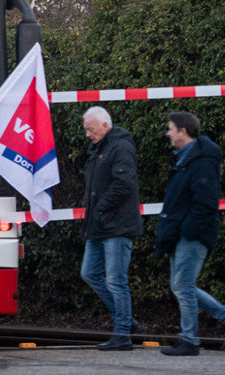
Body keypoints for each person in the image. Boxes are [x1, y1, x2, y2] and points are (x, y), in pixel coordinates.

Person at [154, 111, 225, 356]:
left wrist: (188, 229)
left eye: (171, 128)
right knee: (181, 285)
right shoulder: (185, 157)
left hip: (193, 233)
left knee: (183, 286)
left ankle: (189, 341)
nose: (168, 133)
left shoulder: (201, 161)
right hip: (182, 232)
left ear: (183, 131)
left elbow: (206, 201)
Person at [79, 106, 143, 351]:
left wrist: (101, 208)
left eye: (90, 129)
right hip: (100, 224)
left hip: (117, 225)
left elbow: (124, 183)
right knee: (89, 273)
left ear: (105, 125)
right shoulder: (100, 147)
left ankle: (123, 333)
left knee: (116, 280)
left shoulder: (121, 146)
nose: (87, 134)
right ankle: (126, 320)